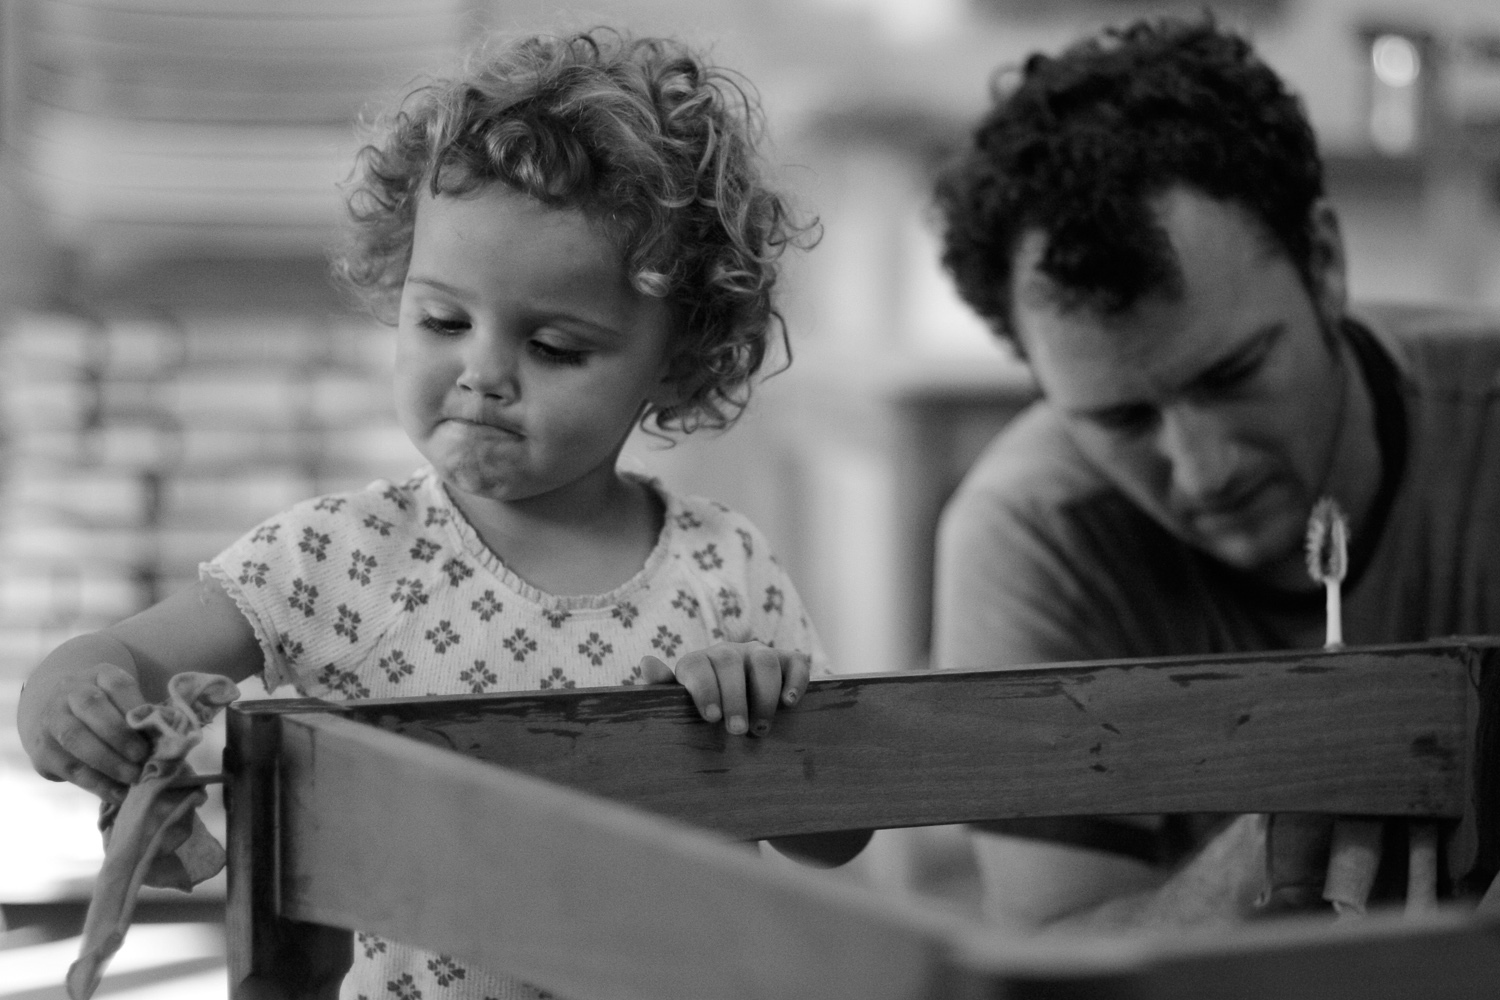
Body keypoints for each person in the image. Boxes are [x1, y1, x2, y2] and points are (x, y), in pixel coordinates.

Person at [18, 29, 854, 998]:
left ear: (675, 360)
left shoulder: (723, 568)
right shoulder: (340, 556)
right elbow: (120, 660)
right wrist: (74, 698)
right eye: (444, 322)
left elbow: (834, 839)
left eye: (553, 345)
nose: (483, 375)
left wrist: (767, 716)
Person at [932, 16, 1500, 928]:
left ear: (1323, 261)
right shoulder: (1028, 533)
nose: (1204, 471)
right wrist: (1271, 839)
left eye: (1233, 376)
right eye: (1120, 419)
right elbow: (1059, 961)